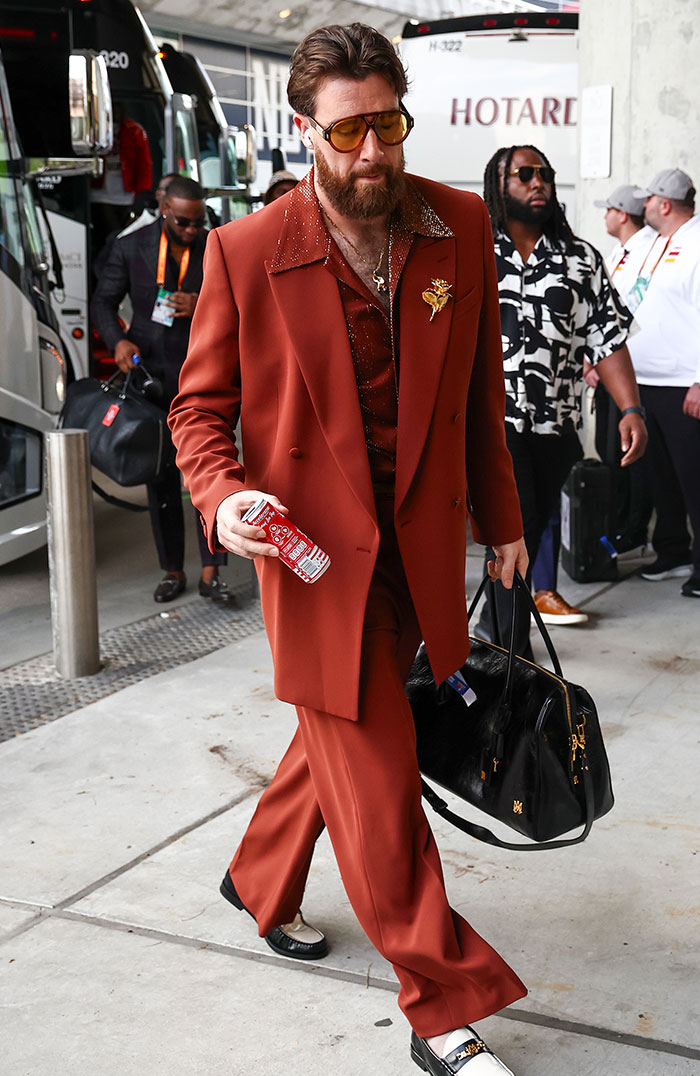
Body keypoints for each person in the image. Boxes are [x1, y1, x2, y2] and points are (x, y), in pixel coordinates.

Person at [170, 23, 530, 1076]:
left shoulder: (459, 226)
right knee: (376, 777)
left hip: (419, 555)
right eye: (349, 132)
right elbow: (200, 409)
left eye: (389, 123)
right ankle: (440, 1001)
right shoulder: (246, 250)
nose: (374, 152)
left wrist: (500, 519)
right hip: (316, 564)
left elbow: (476, 394)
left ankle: (258, 875)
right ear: (303, 129)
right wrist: (222, 493)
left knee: (338, 743)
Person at [480, 145, 647, 656]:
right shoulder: (473, 251)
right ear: (499, 184)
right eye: (525, 174)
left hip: (557, 426)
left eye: (545, 175)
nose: (538, 183)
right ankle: (515, 656)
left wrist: (632, 409)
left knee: (521, 534)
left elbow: (607, 338)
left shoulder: (580, 260)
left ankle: (492, 629)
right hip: (493, 423)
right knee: (517, 530)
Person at [91, 176, 235, 605]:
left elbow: (240, 300)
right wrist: (117, 341)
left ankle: (213, 572)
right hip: (149, 376)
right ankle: (172, 569)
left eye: (198, 221)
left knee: (211, 471)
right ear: (164, 209)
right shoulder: (130, 246)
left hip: (203, 374)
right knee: (162, 479)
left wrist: (202, 302)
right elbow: (102, 301)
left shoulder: (216, 245)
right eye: (184, 223)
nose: (192, 230)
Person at [627, 168, 700, 597]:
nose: (644, 206)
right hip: (646, 382)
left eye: (649, 199)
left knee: (694, 482)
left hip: (683, 386)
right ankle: (672, 552)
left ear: (665, 204)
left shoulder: (696, 244)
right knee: (662, 480)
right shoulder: (658, 243)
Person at [586, 184, 657, 556]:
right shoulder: (619, 253)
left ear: (623, 214)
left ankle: (635, 531)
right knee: (609, 451)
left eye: (609, 209)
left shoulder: (649, 251)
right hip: (605, 370)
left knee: (631, 455)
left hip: (633, 370)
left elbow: (631, 314)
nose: (605, 216)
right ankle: (619, 528)